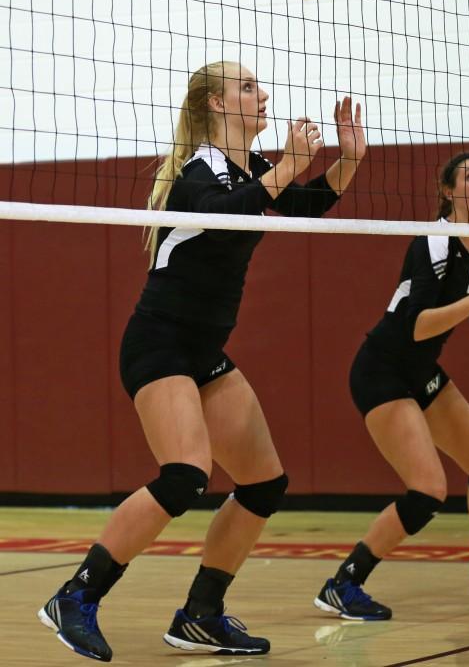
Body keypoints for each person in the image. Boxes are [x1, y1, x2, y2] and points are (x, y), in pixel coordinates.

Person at [38, 60, 366, 661]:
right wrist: (290, 164)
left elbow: (307, 203)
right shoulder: (195, 176)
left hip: (204, 351)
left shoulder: (254, 169)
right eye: (247, 87)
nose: (263, 94)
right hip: (159, 343)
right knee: (186, 474)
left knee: (265, 483)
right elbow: (229, 215)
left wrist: (348, 158)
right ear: (216, 105)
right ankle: (75, 597)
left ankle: (200, 614)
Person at [314, 152, 469, 622]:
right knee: (428, 489)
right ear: (448, 191)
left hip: (420, 371)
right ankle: (344, 583)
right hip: (383, 370)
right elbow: (416, 326)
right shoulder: (435, 242)